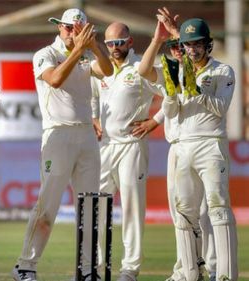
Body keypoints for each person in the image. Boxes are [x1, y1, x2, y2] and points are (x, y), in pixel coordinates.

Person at [11, 8, 113, 281]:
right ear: (59, 27)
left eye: (77, 29)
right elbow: (55, 80)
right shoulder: (46, 54)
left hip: (86, 137)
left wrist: (93, 45)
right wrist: (79, 50)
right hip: (57, 135)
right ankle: (25, 265)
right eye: (67, 28)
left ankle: (88, 269)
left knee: (90, 206)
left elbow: (107, 69)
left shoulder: (86, 54)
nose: (71, 33)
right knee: (47, 207)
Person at [137, 9, 220, 281]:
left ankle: (213, 266)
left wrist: (177, 35)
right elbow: (144, 70)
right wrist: (159, 39)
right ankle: (186, 270)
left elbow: (194, 91)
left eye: (183, 47)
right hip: (178, 146)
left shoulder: (207, 70)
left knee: (207, 212)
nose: (179, 52)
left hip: (204, 142)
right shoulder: (171, 70)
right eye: (177, 47)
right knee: (182, 214)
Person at [90, 22, 164, 281]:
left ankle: (129, 271)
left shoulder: (141, 67)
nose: (115, 48)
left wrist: (155, 120)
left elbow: (171, 93)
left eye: (119, 42)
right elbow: (93, 93)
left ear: (130, 42)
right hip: (106, 145)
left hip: (132, 145)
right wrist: (93, 117)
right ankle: (94, 267)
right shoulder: (103, 68)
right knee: (95, 206)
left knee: (132, 207)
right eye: (110, 43)